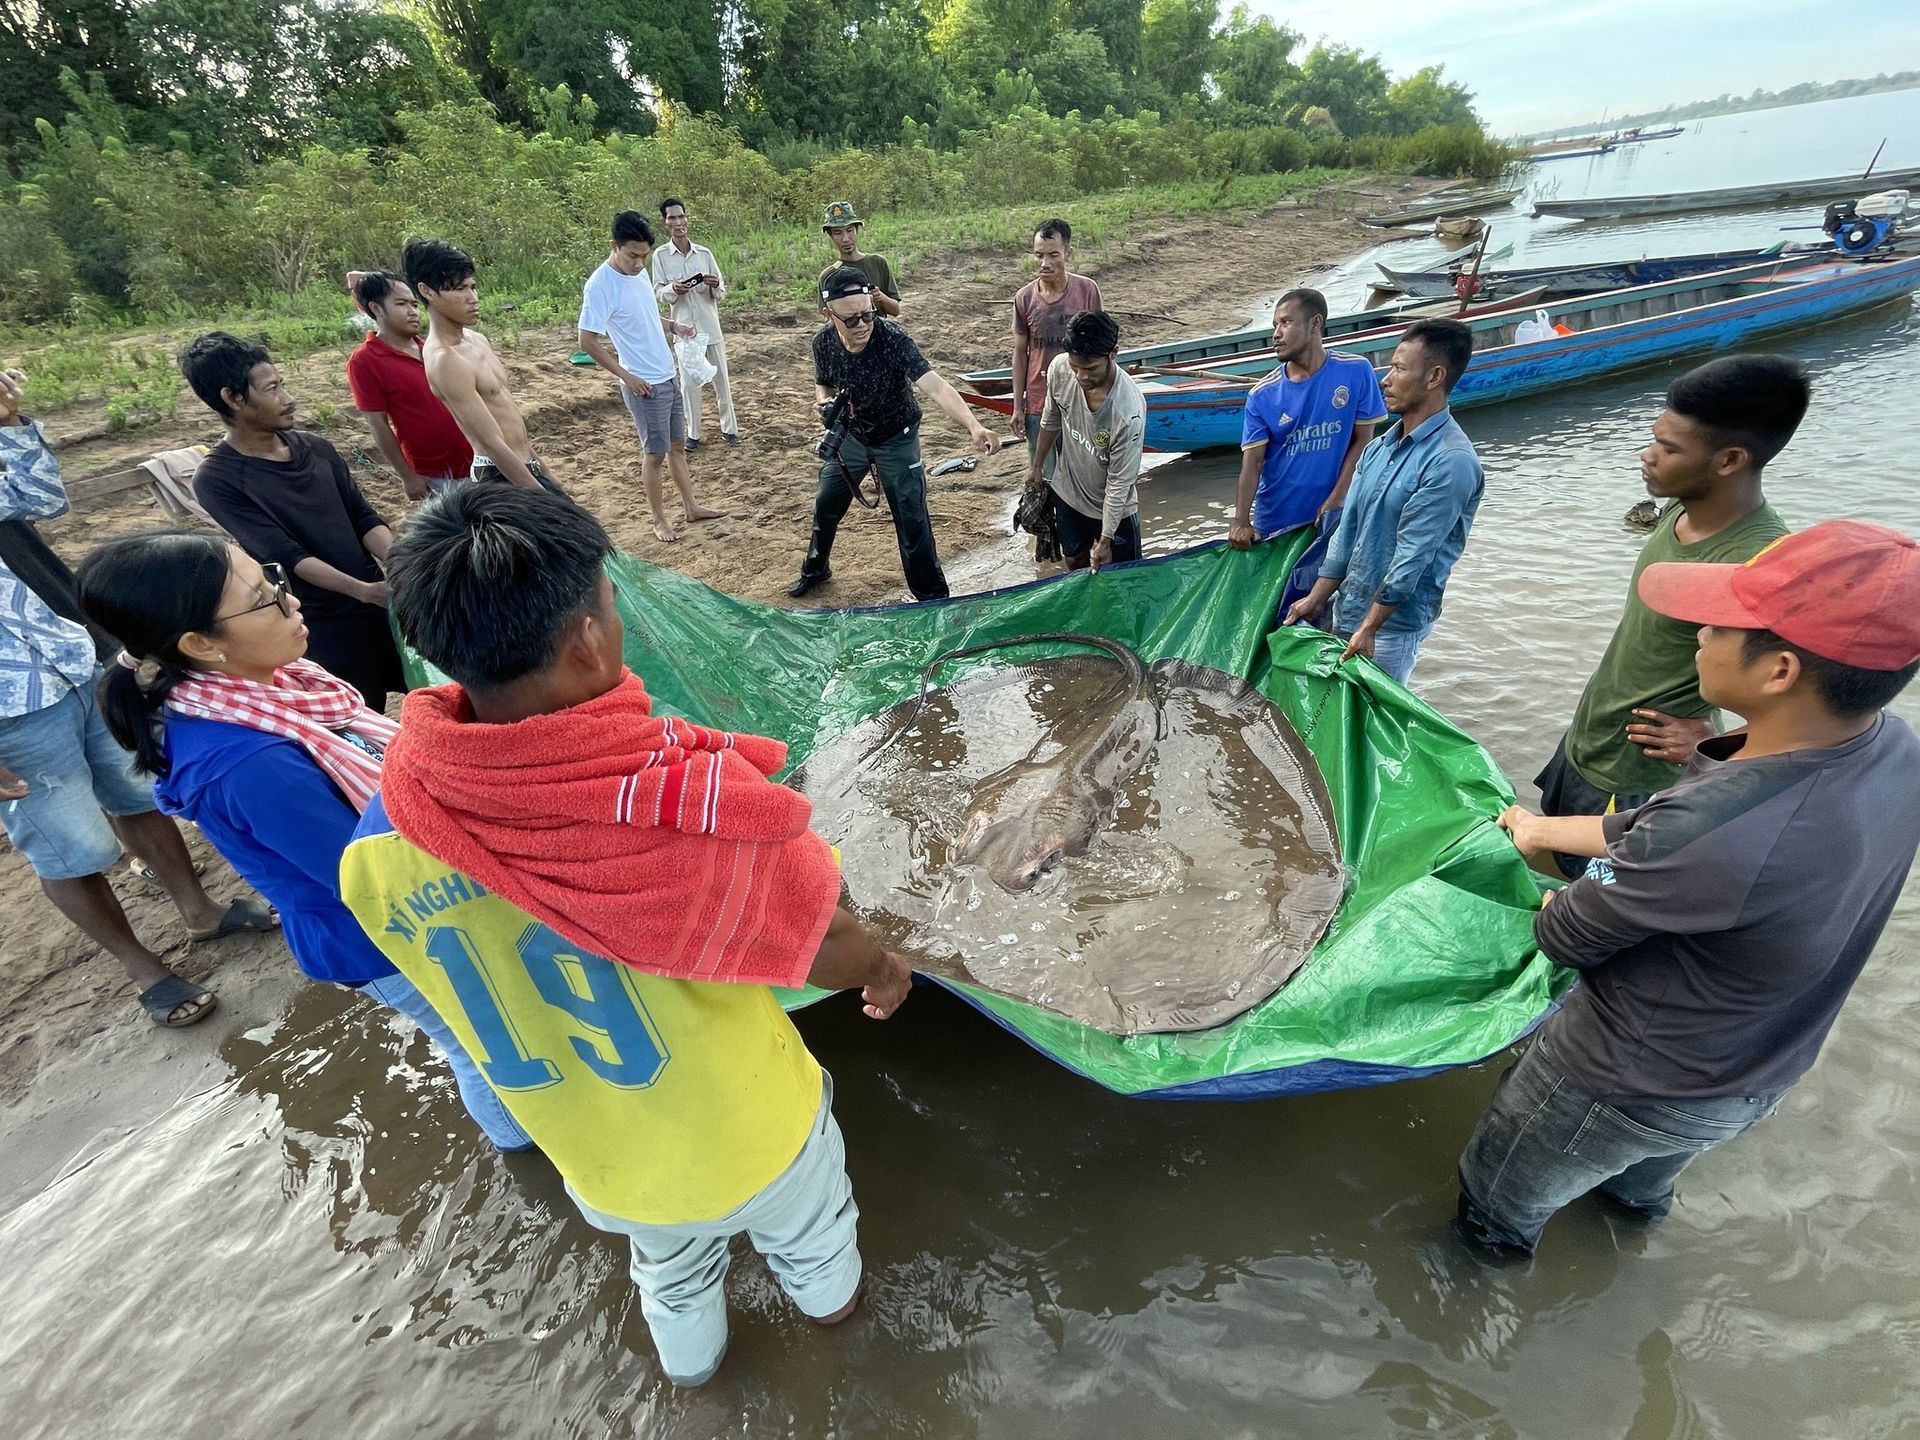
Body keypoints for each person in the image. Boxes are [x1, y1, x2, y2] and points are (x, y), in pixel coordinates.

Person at [338, 483, 912, 1387]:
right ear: (589, 638)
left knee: (672, 1278)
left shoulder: (378, 847)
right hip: (750, 1128)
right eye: (609, 597)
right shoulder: (686, 817)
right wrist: (882, 971)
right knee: (814, 1238)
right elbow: (830, 944)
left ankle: (697, 1385)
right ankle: (843, 1336)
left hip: (603, 1157)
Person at [1460, 520, 1920, 1257]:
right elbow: (1656, 837)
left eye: (1725, 624)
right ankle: (1629, 1237)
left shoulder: (1718, 833)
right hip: (1750, 1075)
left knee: (1497, 1204)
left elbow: (1569, 929)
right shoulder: (1892, 748)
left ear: (1778, 672)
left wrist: (1571, 889)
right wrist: (1545, 831)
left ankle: (1483, 1282)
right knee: (1635, 1191)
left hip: (1620, 1081)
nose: (1701, 633)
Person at [75, 531, 531, 1149]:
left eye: (274, 584)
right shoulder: (247, 761)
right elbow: (368, 876)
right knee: (483, 1048)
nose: (291, 603)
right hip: (382, 935)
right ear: (201, 644)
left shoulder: (275, 685)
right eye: (263, 600)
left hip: (392, 905)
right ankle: (528, 1150)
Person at [0, 370, 275, 1029]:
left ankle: (200, 911)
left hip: (69, 658)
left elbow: (40, 500)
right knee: (71, 848)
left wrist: (9, 424)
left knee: (136, 795)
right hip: (10, 715)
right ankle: (141, 966)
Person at [1533, 356, 1804, 877]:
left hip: (1639, 774)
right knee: (1541, 863)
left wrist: (1717, 748)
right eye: (1655, 439)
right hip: (1591, 739)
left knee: (1588, 911)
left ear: (1729, 461)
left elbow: (1803, 703)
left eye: (1669, 449)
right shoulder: (1680, 509)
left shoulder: (1760, 564)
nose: (1648, 456)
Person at [182, 332, 405, 711]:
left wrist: (404, 566)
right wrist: (362, 591)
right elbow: (286, 554)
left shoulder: (315, 448)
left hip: (382, 608)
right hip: (325, 629)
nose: (287, 399)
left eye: (282, 385)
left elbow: (362, 516)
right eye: (271, 389)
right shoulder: (218, 480)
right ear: (233, 399)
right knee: (362, 725)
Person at [1283, 319, 1483, 687]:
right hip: (1347, 610)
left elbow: (1412, 556)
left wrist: (1369, 627)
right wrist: (1316, 597)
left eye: (1399, 368)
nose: (1385, 380)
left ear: (1435, 376)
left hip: (1389, 630)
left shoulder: (1450, 461)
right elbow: (1348, 530)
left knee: (1374, 731)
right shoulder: (1378, 448)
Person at [790, 267, 1001, 601]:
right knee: (825, 504)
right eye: (851, 320)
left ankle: (931, 598)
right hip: (852, 436)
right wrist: (824, 404)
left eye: (867, 315)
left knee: (911, 517)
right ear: (829, 316)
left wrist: (973, 425)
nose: (862, 325)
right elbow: (823, 381)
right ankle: (815, 569)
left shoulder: (892, 338)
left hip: (897, 437)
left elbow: (936, 386)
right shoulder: (823, 342)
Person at [1226, 288, 1388, 615]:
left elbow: (1363, 440)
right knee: (1274, 611)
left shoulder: (1356, 372)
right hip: (1278, 523)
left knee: (1332, 608)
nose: (1275, 334)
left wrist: (1336, 499)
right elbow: (1252, 464)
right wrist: (1241, 520)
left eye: (1286, 322)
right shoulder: (1263, 395)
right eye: (1274, 324)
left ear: (1315, 324)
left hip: (1334, 519)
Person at [579, 211, 728, 544]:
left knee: (677, 447)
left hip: (667, 373)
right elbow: (586, 340)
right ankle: (659, 520)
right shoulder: (600, 285)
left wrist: (674, 326)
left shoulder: (639, 274)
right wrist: (627, 376)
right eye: (633, 255)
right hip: (643, 384)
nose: (639, 263)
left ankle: (691, 506)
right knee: (655, 454)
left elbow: (647, 314)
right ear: (614, 246)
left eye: (644, 256)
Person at [405, 237, 566, 496]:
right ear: (427, 292)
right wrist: (545, 500)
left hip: (525, 467)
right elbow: (492, 443)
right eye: (459, 289)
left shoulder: (477, 340)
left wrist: (547, 476)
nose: (473, 298)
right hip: (498, 477)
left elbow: (510, 422)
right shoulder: (445, 358)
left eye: (473, 286)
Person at [1026, 310, 1145, 572]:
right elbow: (1051, 419)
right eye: (1075, 367)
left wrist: (1106, 539)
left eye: (1090, 368)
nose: (1081, 376)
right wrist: (1037, 467)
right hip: (1068, 494)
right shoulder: (1059, 369)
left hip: (1114, 510)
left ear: (1113, 353)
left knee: (1125, 578)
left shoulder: (1128, 411)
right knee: (1075, 565)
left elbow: (1119, 482)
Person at [346, 270, 474, 501]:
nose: (412, 312)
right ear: (376, 308)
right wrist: (407, 476)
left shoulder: (432, 349)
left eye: (414, 304)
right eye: (401, 304)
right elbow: (378, 424)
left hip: (476, 460)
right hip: (436, 475)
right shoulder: (365, 361)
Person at [649, 197, 738, 450]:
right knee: (689, 386)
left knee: (722, 381)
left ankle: (729, 430)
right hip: (685, 331)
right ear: (665, 222)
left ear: (687, 219)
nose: (678, 223)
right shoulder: (661, 256)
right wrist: (673, 289)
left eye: (681, 217)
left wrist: (714, 285)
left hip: (710, 328)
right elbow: (657, 291)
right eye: (672, 218)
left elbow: (721, 291)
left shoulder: (705, 253)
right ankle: (693, 434)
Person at [1010, 220, 1102, 460]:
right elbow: (1021, 355)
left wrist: (1101, 399)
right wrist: (1018, 406)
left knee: (1083, 473)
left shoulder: (1087, 291)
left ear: (1067, 253)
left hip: (1080, 400)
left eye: (1053, 255)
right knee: (1042, 476)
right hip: (1039, 403)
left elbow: (1101, 349)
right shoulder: (1024, 298)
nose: (1045, 263)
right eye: (1038, 255)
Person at [818, 202, 902, 319]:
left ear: (857, 230)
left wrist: (880, 297)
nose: (846, 239)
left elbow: (895, 310)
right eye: (838, 233)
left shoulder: (878, 263)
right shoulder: (828, 276)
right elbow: (830, 319)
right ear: (830, 236)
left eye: (849, 230)